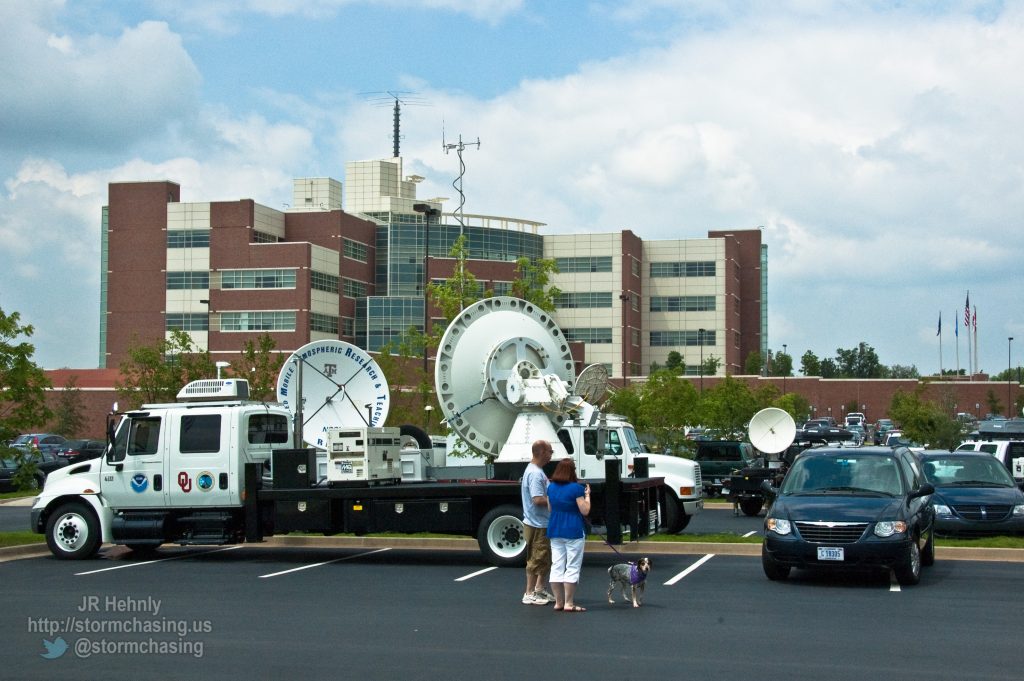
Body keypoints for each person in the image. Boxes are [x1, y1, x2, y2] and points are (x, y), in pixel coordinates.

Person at [546, 457, 590, 612]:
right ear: (572, 471)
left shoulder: (551, 487)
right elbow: (584, 510)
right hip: (573, 529)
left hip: (555, 528)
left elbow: (550, 509)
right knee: (572, 566)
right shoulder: (576, 488)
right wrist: (588, 496)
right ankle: (569, 603)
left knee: (557, 565)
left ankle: (558, 602)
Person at [521, 439, 555, 605]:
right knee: (537, 557)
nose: (551, 455)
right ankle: (529, 592)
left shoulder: (535, 470)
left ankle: (539, 590)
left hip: (540, 522)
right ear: (542, 452)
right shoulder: (535, 474)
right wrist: (556, 500)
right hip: (537, 523)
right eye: (550, 452)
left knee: (544, 558)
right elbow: (537, 499)